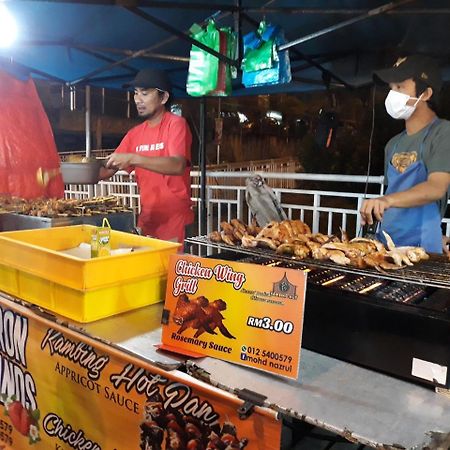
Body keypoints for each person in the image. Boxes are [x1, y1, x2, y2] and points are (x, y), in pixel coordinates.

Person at [360, 55, 450, 253]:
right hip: (386, 242)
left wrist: (386, 200)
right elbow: (393, 192)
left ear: (425, 94)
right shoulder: (393, 144)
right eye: (391, 88)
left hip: (421, 248)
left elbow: (436, 188)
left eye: (400, 87)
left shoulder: (443, 132)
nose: (392, 94)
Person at [100, 68, 194, 244]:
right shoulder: (134, 134)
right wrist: (67, 172)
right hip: (147, 219)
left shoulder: (176, 124)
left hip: (175, 220)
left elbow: (177, 165)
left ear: (163, 98)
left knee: (169, 271)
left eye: (144, 93)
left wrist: (133, 158)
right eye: (135, 93)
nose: (137, 99)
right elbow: (105, 171)